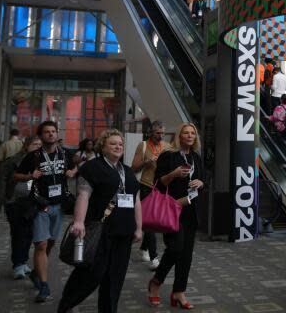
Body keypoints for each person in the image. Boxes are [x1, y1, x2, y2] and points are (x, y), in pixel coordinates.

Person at [58, 129, 143, 313]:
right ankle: (66, 305)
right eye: (113, 143)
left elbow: (136, 201)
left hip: (124, 233)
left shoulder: (127, 171)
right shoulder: (92, 167)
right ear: (103, 146)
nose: (118, 146)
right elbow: (83, 196)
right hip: (100, 231)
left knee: (115, 277)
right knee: (91, 275)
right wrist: (78, 222)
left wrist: (139, 227)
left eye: (120, 144)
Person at [14, 120, 78, 303]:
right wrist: (29, 176)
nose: (51, 134)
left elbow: (79, 164)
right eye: (47, 132)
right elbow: (15, 176)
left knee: (50, 243)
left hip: (59, 206)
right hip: (40, 206)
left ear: (57, 134)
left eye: (53, 131)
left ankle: (36, 271)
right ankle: (44, 285)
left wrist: (73, 171)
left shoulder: (66, 153)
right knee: (41, 245)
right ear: (41, 136)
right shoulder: (33, 156)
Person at [148, 123, 205, 309]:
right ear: (179, 136)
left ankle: (179, 292)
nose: (190, 136)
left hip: (191, 210)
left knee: (186, 255)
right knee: (176, 248)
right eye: (186, 133)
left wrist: (200, 182)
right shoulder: (168, 156)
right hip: (172, 209)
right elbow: (158, 183)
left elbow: (204, 179)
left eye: (192, 133)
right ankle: (156, 281)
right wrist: (173, 174)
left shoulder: (196, 157)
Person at [0, 135, 42, 279]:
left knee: (29, 234)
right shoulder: (13, 161)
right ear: (26, 146)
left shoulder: (40, 162)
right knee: (18, 233)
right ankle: (17, 264)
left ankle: (23, 262)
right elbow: (1, 183)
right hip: (14, 202)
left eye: (40, 145)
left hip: (32, 202)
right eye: (35, 144)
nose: (38, 147)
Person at [131, 120, 170, 269]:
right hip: (147, 185)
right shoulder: (144, 146)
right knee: (150, 220)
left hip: (162, 187)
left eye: (162, 133)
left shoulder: (167, 147)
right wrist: (146, 162)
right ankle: (154, 258)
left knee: (154, 221)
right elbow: (133, 168)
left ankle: (143, 248)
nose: (160, 136)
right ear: (150, 132)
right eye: (157, 133)